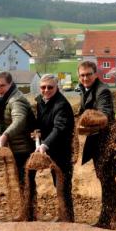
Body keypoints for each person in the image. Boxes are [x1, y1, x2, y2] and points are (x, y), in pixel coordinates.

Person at [77, 61, 116, 228]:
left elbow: (104, 114)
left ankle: (109, 220)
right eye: (82, 75)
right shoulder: (85, 89)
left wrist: (85, 121)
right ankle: (108, 217)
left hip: (107, 141)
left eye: (89, 74)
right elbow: (83, 110)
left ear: (95, 74)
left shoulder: (102, 91)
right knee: (104, 179)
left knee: (108, 180)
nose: (85, 78)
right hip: (97, 141)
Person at [35, 74, 76, 221]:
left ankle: (68, 218)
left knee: (63, 185)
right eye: (43, 87)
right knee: (56, 183)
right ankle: (63, 215)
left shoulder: (61, 105)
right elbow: (41, 121)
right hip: (50, 149)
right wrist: (36, 131)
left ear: (56, 87)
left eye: (50, 87)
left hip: (62, 150)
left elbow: (59, 128)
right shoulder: (41, 101)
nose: (46, 90)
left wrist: (45, 144)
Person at [0, 71, 37, 185]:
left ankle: (28, 203)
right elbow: (0, 119)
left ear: (10, 84)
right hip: (14, 148)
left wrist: (4, 136)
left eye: (2, 86)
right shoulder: (2, 99)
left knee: (25, 183)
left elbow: (19, 121)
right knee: (19, 182)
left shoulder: (16, 99)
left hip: (24, 148)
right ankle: (24, 203)